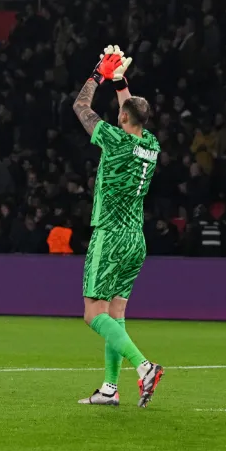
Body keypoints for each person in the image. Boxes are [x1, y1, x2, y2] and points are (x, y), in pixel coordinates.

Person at [71, 45, 165, 409]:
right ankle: (110, 389)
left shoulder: (114, 139)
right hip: (136, 240)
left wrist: (97, 75)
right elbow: (131, 108)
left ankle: (144, 367)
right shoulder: (151, 145)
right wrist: (120, 81)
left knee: (93, 314)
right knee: (116, 314)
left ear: (123, 118)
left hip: (110, 235)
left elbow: (80, 108)